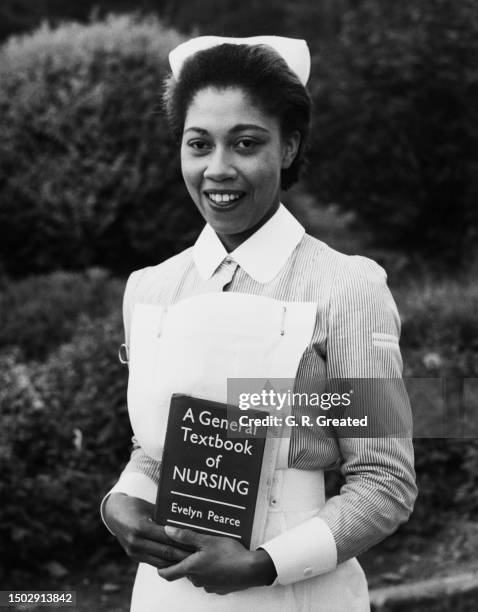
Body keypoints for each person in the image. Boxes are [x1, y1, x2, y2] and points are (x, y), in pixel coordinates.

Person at [101, 36, 417, 611]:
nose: (218, 169)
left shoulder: (347, 287)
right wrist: (121, 501)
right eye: (199, 144)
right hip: (168, 595)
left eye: (245, 143)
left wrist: (263, 566)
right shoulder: (148, 289)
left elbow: (384, 481)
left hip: (301, 595)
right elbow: (157, 448)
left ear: (289, 146)